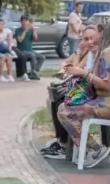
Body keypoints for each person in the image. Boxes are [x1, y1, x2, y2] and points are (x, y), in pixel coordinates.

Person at [56, 17, 110, 168]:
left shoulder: (109, 53)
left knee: (64, 112)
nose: (94, 38)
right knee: (64, 108)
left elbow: (109, 85)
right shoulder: (109, 50)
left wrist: (84, 74)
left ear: (102, 33)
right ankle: (90, 149)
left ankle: (95, 149)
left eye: (97, 33)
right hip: (106, 100)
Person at [41, 23, 99, 159]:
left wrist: (78, 52)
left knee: (60, 104)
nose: (88, 42)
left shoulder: (92, 52)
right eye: (85, 39)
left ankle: (70, 144)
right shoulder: (86, 50)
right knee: (51, 100)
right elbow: (66, 63)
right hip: (81, 89)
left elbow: (76, 68)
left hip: (90, 93)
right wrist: (64, 69)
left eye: (92, 38)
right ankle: (63, 141)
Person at [14, 14, 45, 81]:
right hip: (21, 51)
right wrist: (25, 31)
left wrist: (34, 30)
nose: (25, 22)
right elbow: (20, 40)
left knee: (42, 57)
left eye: (26, 21)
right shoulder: (18, 30)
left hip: (30, 50)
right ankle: (33, 72)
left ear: (28, 22)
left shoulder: (31, 30)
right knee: (32, 55)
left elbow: (35, 39)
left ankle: (33, 72)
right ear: (21, 22)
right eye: (23, 21)